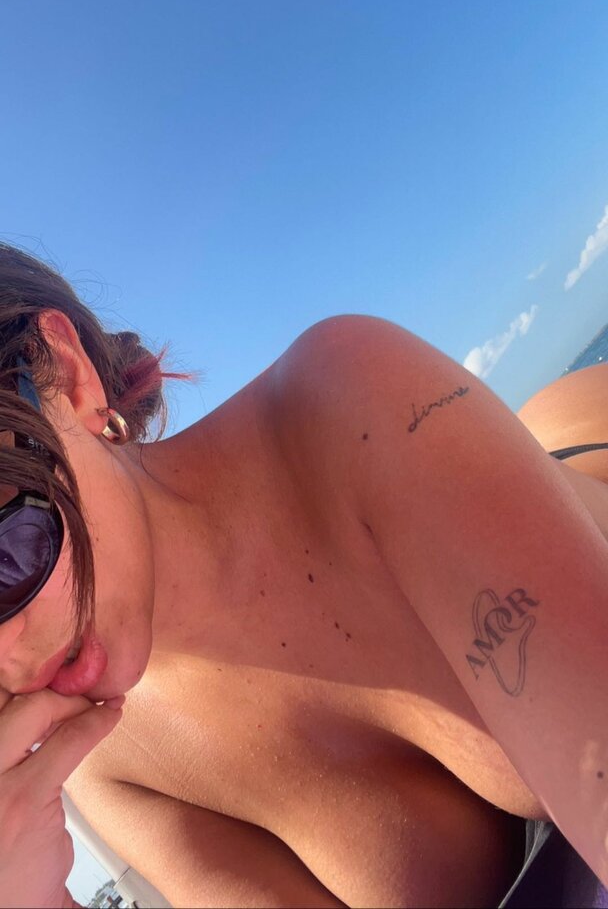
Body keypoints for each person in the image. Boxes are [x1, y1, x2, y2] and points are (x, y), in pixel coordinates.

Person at [0, 242, 606, 909]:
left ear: (68, 378)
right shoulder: (105, 767)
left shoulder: (344, 395)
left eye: (6, 554)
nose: (7, 658)